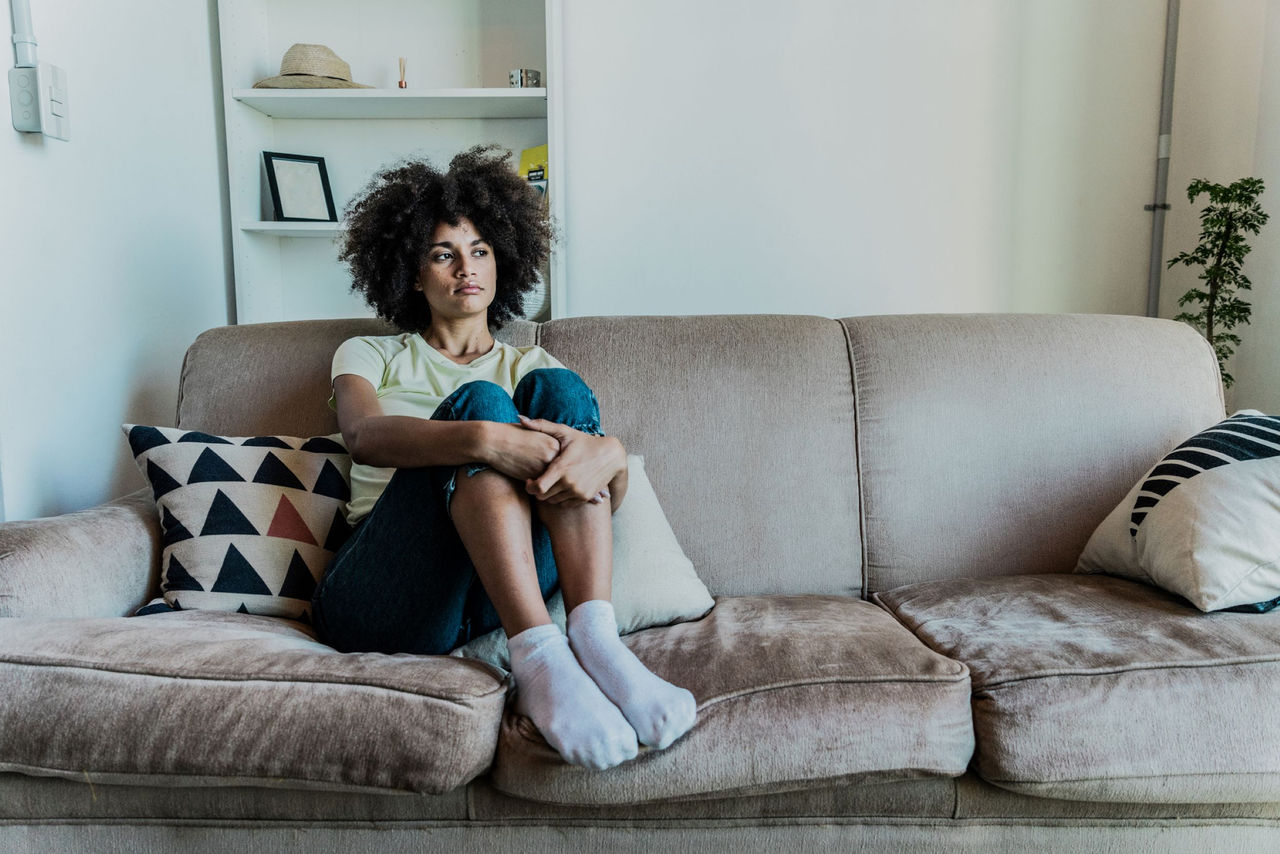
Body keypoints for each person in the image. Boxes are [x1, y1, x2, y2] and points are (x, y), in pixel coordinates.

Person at [310, 145, 696, 770]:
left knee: (562, 394)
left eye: (480, 251)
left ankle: (593, 641)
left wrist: (610, 454)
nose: (467, 268)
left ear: (502, 262)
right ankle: (540, 657)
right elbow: (364, 435)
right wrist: (485, 437)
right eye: (444, 253)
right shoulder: (369, 354)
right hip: (393, 588)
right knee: (483, 401)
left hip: (501, 584)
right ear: (412, 273)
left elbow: (599, 491)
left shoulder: (534, 366)